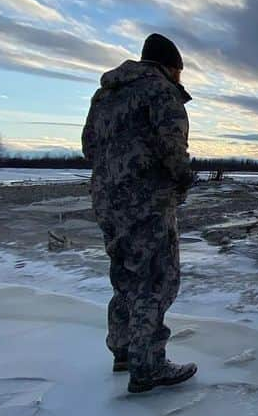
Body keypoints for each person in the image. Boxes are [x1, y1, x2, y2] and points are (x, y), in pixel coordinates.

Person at [82, 33, 197, 394]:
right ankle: (148, 364)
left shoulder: (106, 95)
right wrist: (183, 179)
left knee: (125, 274)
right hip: (147, 200)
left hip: (108, 199)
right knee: (155, 278)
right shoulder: (161, 91)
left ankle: (124, 350)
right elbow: (172, 147)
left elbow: (88, 147)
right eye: (179, 71)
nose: (180, 78)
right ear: (170, 66)